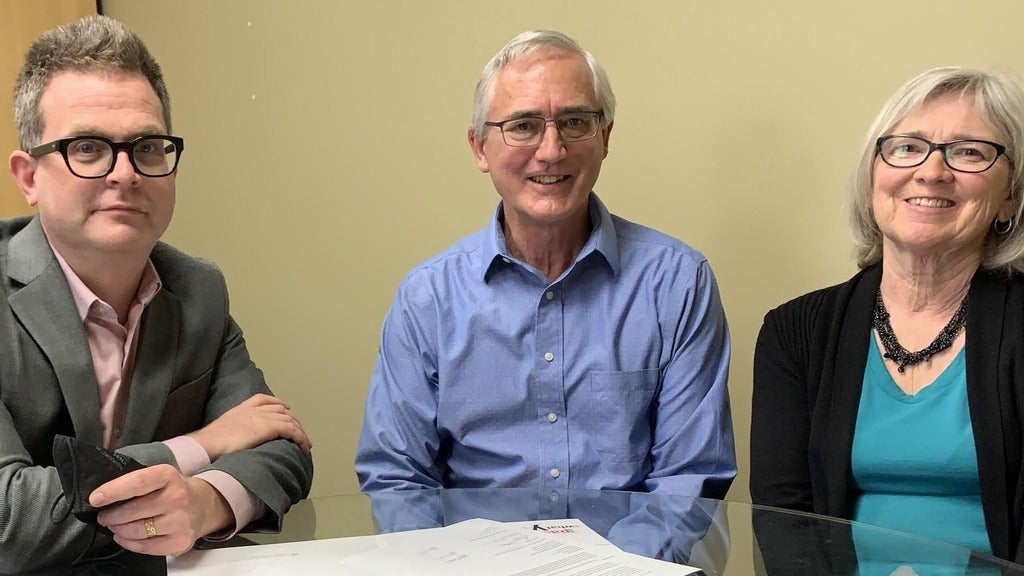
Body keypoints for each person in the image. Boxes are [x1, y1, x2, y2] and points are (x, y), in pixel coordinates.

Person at [355, 29, 735, 498]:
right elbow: (397, 481)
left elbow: (688, 482)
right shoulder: (427, 299)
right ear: (479, 148)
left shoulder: (677, 285)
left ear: (605, 137)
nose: (552, 150)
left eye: (575, 122)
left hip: (632, 566)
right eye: (523, 125)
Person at [2, 15, 314, 572]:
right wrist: (202, 444)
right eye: (88, 148)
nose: (125, 173)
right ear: (28, 177)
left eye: (147, 146)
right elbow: (9, 522)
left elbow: (281, 449)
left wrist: (206, 502)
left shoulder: (199, 288)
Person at [750, 66, 1024, 563]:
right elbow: (785, 521)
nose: (931, 172)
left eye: (969, 152)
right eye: (906, 147)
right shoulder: (796, 332)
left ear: (1009, 198)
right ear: (874, 176)